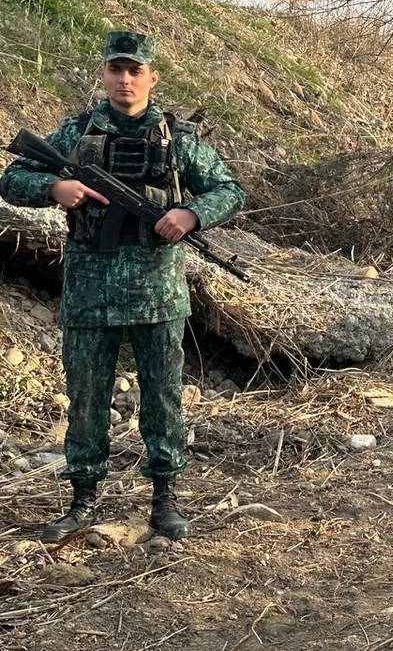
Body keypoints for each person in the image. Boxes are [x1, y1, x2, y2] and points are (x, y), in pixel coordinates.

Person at [0, 30, 245, 542]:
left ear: (152, 77)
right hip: (90, 291)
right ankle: (82, 499)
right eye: (117, 69)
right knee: (86, 398)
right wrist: (54, 187)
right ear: (104, 74)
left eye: (135, 70)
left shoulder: (179, 139)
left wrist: (191, 213)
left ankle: (164, 499)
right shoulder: (76, 131)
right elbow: (11, 178)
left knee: (163, 397)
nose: (125, 79)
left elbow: (229, 190)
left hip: (159, 292)